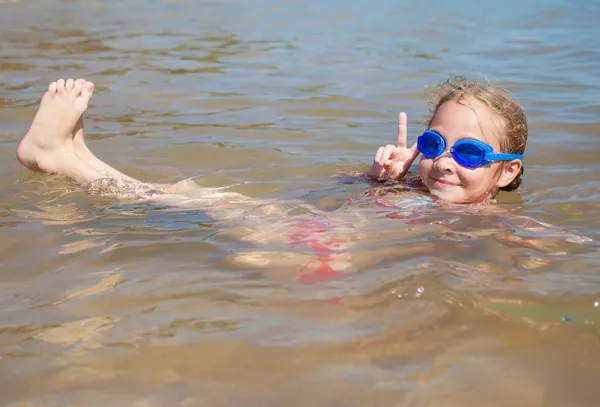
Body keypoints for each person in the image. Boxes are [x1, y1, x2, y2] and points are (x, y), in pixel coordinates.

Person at [15, 76, 530, 282]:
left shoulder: (483, 221)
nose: (443, 163)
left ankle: (66, 159)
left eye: (468, 152)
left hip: (318, 257)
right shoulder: (412, 187)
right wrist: (375, 179)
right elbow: (325, 189)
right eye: (435, 145)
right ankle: (71, 158)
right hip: (307, 242)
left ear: (507, 172)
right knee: (192, 195)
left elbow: (539, 249)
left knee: (210, 203)